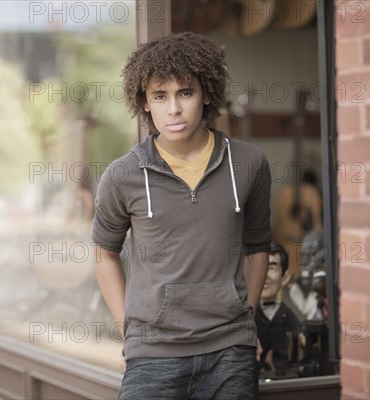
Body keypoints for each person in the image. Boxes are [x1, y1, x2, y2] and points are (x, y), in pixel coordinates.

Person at [92, 32, 272, 400]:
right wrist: (128, 330)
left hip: (229, 352)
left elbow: (257, 246)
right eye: (160, 96)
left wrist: (247, 323)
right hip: (152, 355)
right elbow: (104, 253)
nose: (173, 109)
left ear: (206, 93)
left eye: (184, 93)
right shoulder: (122, 175)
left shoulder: (249, 164)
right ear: (144, 103)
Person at [255, 242, 301, 377]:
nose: (264, 276)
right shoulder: (250, 314)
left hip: (282, 368)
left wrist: (301, 334)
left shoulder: (285, 312)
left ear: (285, 277)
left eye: (272, 268)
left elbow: (295, 325)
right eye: (259, 268)